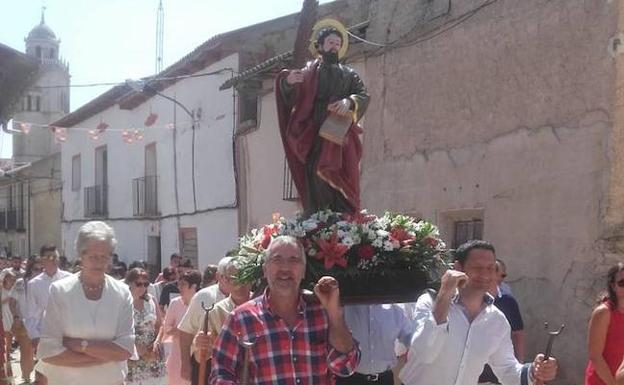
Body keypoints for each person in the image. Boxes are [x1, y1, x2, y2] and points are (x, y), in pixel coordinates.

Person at [399, 240, 558, 385]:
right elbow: (424, 355)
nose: (485, 274)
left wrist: (534, 370)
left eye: (490, 268)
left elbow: (508, 370)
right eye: (477, 268)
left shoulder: (497, 320)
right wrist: (445, 295)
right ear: (458, 268)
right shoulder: (430, 302)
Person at [210, 235, 360, 385]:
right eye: (277, 260)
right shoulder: (241, 319)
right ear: (264, 270)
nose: (285, 268)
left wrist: (334, 312)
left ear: (303, 271)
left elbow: (345, 366)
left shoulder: (322, 314)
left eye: (294, 260)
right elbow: (221, 373)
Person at [275, 20, 369, 215]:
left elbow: (363, 94)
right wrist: (289, 82)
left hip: (340, 134)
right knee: (317, 174)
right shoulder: (309, 72)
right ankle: (319, 218)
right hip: (315, 135)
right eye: (331, 42)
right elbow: (294, 97)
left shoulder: (350, 75)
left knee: (344, 176)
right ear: (320, 45)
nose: (334, 47)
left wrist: (349, 102)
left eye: (337, 43)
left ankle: (345, 220)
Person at [35, 221, 137, 385]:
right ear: (81, 256)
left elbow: (125, 349)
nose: (99, 262)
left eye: (104, 257)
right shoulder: (60, 291)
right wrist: (107, 355)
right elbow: (48, 351)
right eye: (93, 256)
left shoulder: (122, 293)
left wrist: (79, 345)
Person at [192, 258, 252, 385]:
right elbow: (201, 357)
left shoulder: (265, 307)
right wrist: (199, 345)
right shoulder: (216, 312)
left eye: (244, 277)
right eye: (234, 278)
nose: (239, 283)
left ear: (252, 279)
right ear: (225, 280)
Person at [178, 257, 232, 385]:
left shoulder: (247, 296)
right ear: (218, 276)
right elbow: (186, 331)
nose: (232, 281)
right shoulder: (203, 297)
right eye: (227, 277)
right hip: (205, 360)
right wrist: (185, 364)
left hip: (233, 361)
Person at [337, 304, 415, 385]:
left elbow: (411, 339)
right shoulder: (344, 308)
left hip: (384, 380)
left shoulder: (396, 311)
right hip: (350, 380)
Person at [478, 260, 526, 384]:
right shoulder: (465, 303)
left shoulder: (507, 301)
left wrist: (521, 367)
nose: (501, 279)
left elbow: (518, 334)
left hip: (498, 367)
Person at [125, 267, 166, 385]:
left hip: (153, 355)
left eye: (145, 284)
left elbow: (160, 325)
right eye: (138, 284)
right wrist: (138, 349)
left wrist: (156, 343)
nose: (142, 287)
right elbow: (119, 329)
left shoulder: (151, 301)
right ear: (130, 283)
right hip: (133, 357)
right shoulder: (124, 303)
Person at [585, 262, 624, 385]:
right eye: (622, 283)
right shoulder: (604, 313)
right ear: (613, 286)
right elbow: (595, 356)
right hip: (602, 381)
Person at [26, 245, 72, 348]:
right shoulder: (34, 284)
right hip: (46, 336)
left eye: (56, 257)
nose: (55, 260)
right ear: (42, 261)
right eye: (50, 257)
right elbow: (31, 314)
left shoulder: (70, 279)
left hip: (69, 336)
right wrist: (34, 337)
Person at [161, 269, 201, 385]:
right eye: (179, 284)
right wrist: (185, 331)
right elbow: (167, 330)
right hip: (176, 357)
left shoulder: (201, 304)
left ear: (193, 286)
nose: (179, 287)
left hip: (196, 356)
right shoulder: (174, 303)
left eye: (183, 284)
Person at [9, 255, 42, 383]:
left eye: (40, 268)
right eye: (35, 268)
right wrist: (16, 316)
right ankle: (27, 379)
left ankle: (39, 379)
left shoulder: (47, 282)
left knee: (42, 354)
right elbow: (12, 301)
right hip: (24, 322)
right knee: (26, 353)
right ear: (29, 267)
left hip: (43, 323)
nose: (37, 271)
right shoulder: (20, 283)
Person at [0, 271, 16, 365]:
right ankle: (5, 357)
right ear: (6, 278)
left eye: (13, 279)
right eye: (10, 278)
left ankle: (8, 355)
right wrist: (6, 300)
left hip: (12, 314)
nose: (12, 280)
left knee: (10, 337)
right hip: (4, 314)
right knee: (5, 336)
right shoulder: (1, 289)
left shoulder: (14, 289)